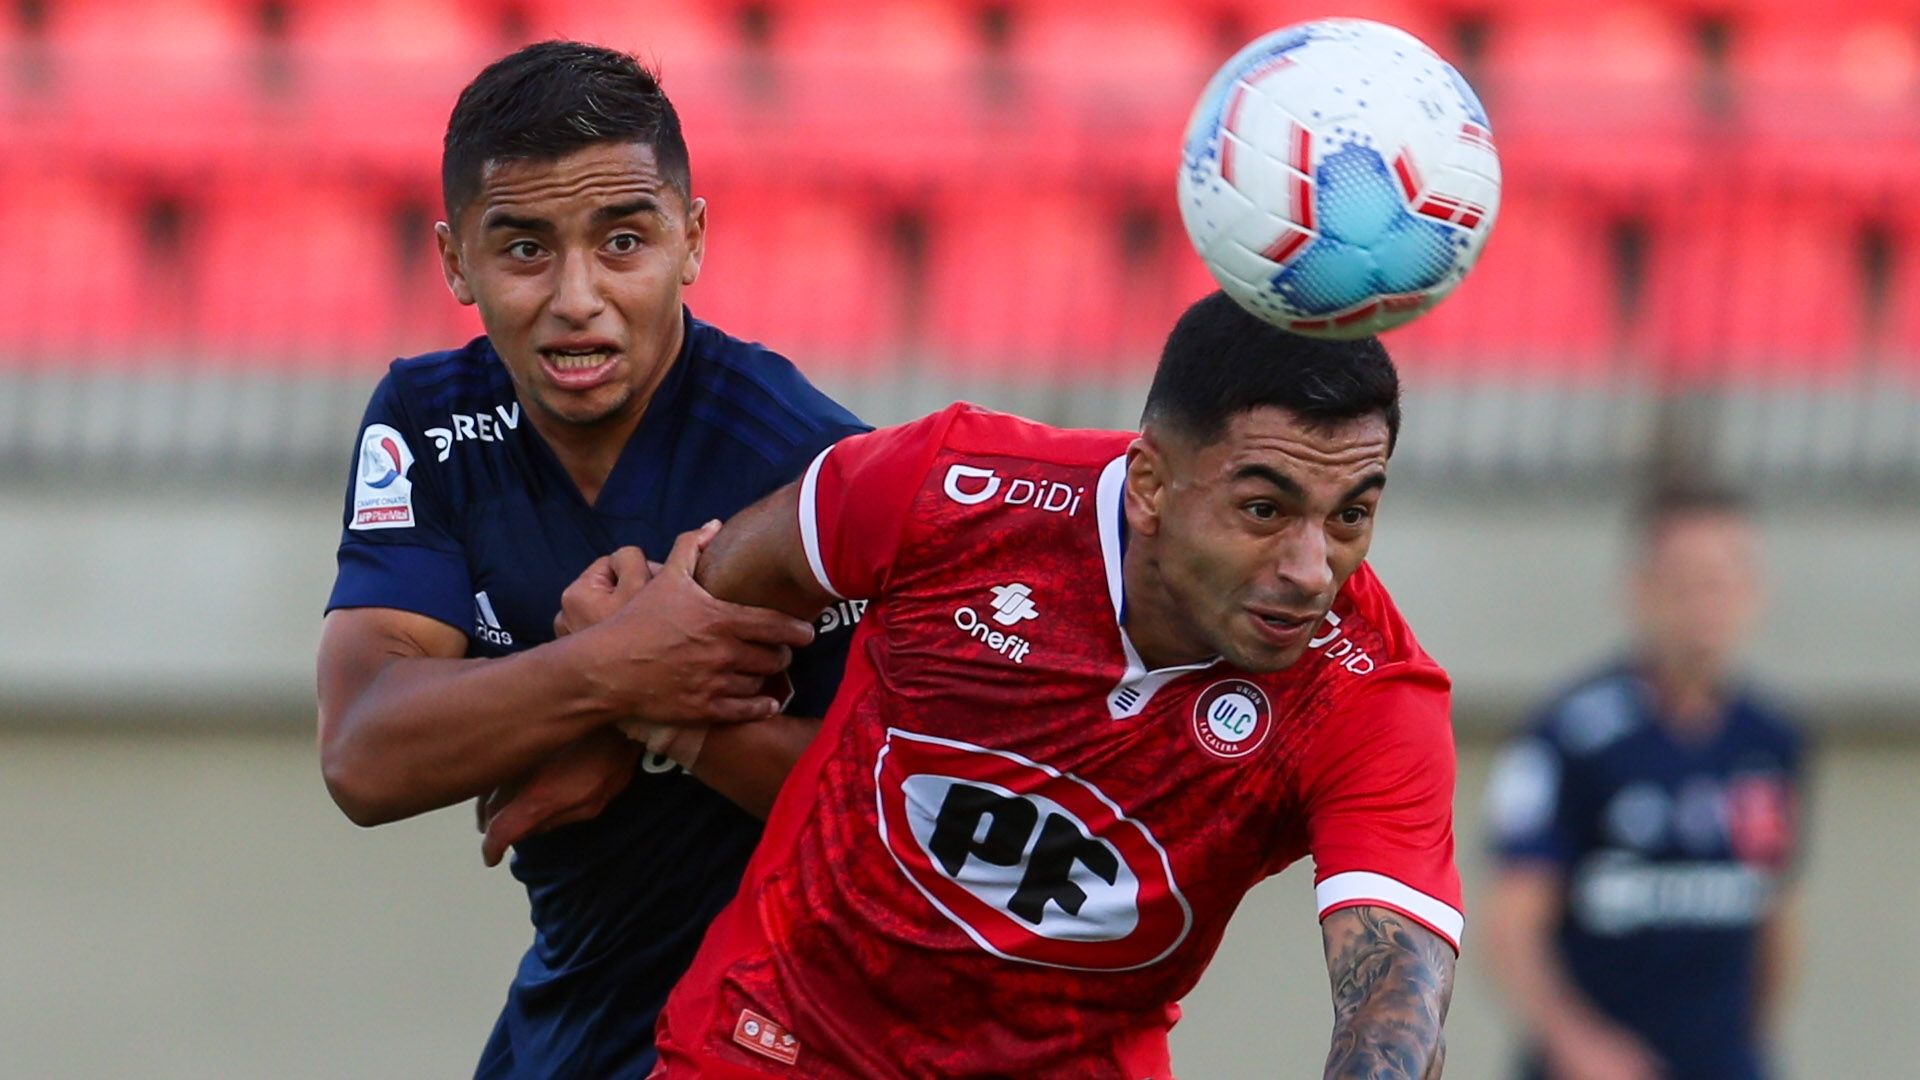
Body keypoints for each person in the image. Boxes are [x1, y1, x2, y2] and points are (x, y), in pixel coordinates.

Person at [493, 291, 1463, 1078]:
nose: (1309, 567)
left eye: (1350, 517)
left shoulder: (1370, 696)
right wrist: (598, 703)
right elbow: (680, 616)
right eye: (1264, 508)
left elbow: (1393, 1002)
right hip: (769, 1047)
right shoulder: (951, 489)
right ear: (1153, 487)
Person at [314, 41, 867, 1079]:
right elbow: (365, 751)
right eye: (525, 248)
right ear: (454, 259)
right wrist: (616, 672)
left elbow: (892, 822)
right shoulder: (428, 418)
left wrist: (664, 725)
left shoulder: (807, 462)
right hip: (568, 1013)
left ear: (692, 240)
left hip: (779, 1033)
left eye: (623, 241)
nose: (578, 296)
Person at [1483, 486, 1806, 1080]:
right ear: (1640, 589)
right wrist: (1577, 1044)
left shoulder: (1771, 741)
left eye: (1727, 579)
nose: (1709, 602)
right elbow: (1511, 923)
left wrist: (1751, 1042)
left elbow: (1775, 912)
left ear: (1756, 592)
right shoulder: (1571, 736)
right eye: (1688, 581)